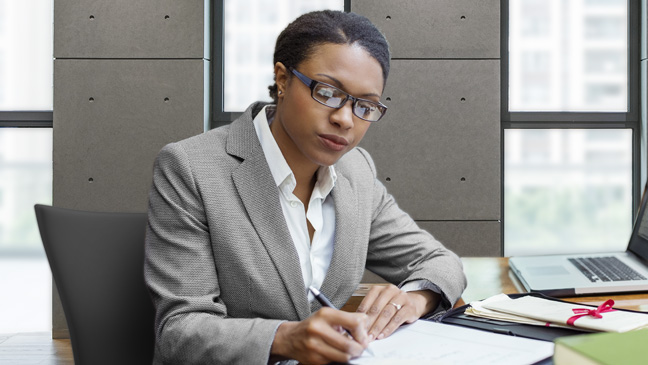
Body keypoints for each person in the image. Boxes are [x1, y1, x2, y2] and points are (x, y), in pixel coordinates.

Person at [143, 10, 467, 365]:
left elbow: (440, 262)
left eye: (365, 106)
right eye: (328, 93)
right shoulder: (191, 168)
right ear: (282, 79)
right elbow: (179, 331)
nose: (345, 119)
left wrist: (415, 298)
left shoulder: (356, 171)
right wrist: (286, 338)